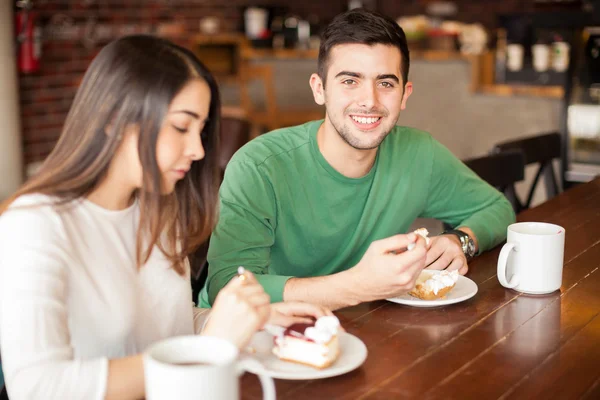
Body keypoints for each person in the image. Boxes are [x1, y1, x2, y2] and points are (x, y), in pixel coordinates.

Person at [0, 35, 330, 400]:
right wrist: (211, 344)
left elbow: (165, 329)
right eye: (180, 127)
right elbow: (36, 388)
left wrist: (249, 318)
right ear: (113, 118)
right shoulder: (34, 224)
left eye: (201, 130)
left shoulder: (160, 208)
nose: (198, 149)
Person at [201, 8, 515, 310]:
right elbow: (227, 286)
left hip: (357, 329)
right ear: (319, 89)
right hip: (248, 337)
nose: (369, 101)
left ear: (405, 95)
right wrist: (358, 286)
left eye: (386, 83)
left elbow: (496, 208)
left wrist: (462, 240)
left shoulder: (418, 152)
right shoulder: (259, 166)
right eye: (350, 81)